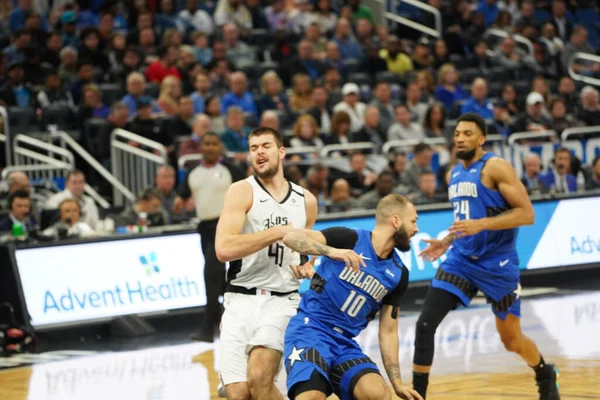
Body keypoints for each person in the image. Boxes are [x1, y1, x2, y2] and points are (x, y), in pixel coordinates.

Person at [411, 113, 560, 400]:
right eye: (457, 134)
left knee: (511, 340)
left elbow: (526, 214)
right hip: (461, 261)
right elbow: (467, 220)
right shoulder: (454, 173)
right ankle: (418, 395)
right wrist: (446, 241)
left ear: (481, 139)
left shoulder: (496, 167)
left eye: (467, 133)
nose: (460, 138)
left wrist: (482, 225)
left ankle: (544, 372)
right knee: (424, 325)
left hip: (497, 264)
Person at [281, 194, 422, 400]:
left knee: (379, 395)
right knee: (311, 397)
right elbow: (290, 237)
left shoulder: (399, 273)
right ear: (395, 221)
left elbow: (388, 332)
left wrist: (397, 382)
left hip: (344, 343)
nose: (416, 229)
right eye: (413, 221)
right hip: (310, 329)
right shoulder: (349, 238)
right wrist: (332, 251)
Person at [214, 127, 318, 399]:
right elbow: (223, 249)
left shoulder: (306, 201)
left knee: (260, 376)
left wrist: (306, 266)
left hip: (281, 300)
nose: (259, 152)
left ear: (281, 152)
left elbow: (304, 250)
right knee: (239, 394)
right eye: (253, 148)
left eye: (266, 146)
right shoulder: (241, 191)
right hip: (240, 298)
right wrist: (276, 232)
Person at [173, 133, 245, 342]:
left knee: (211, 273)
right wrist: (178, 204)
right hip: (205, 228)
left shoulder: (231, 169)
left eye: (214, 144)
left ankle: (208, 327)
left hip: (227, 226)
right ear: (201, 147)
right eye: (207, 144)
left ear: (219, 146)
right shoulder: (192, 172)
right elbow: (181, 197)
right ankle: (224, 320)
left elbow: (250, 193)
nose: (211, 147)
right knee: (216, 277)